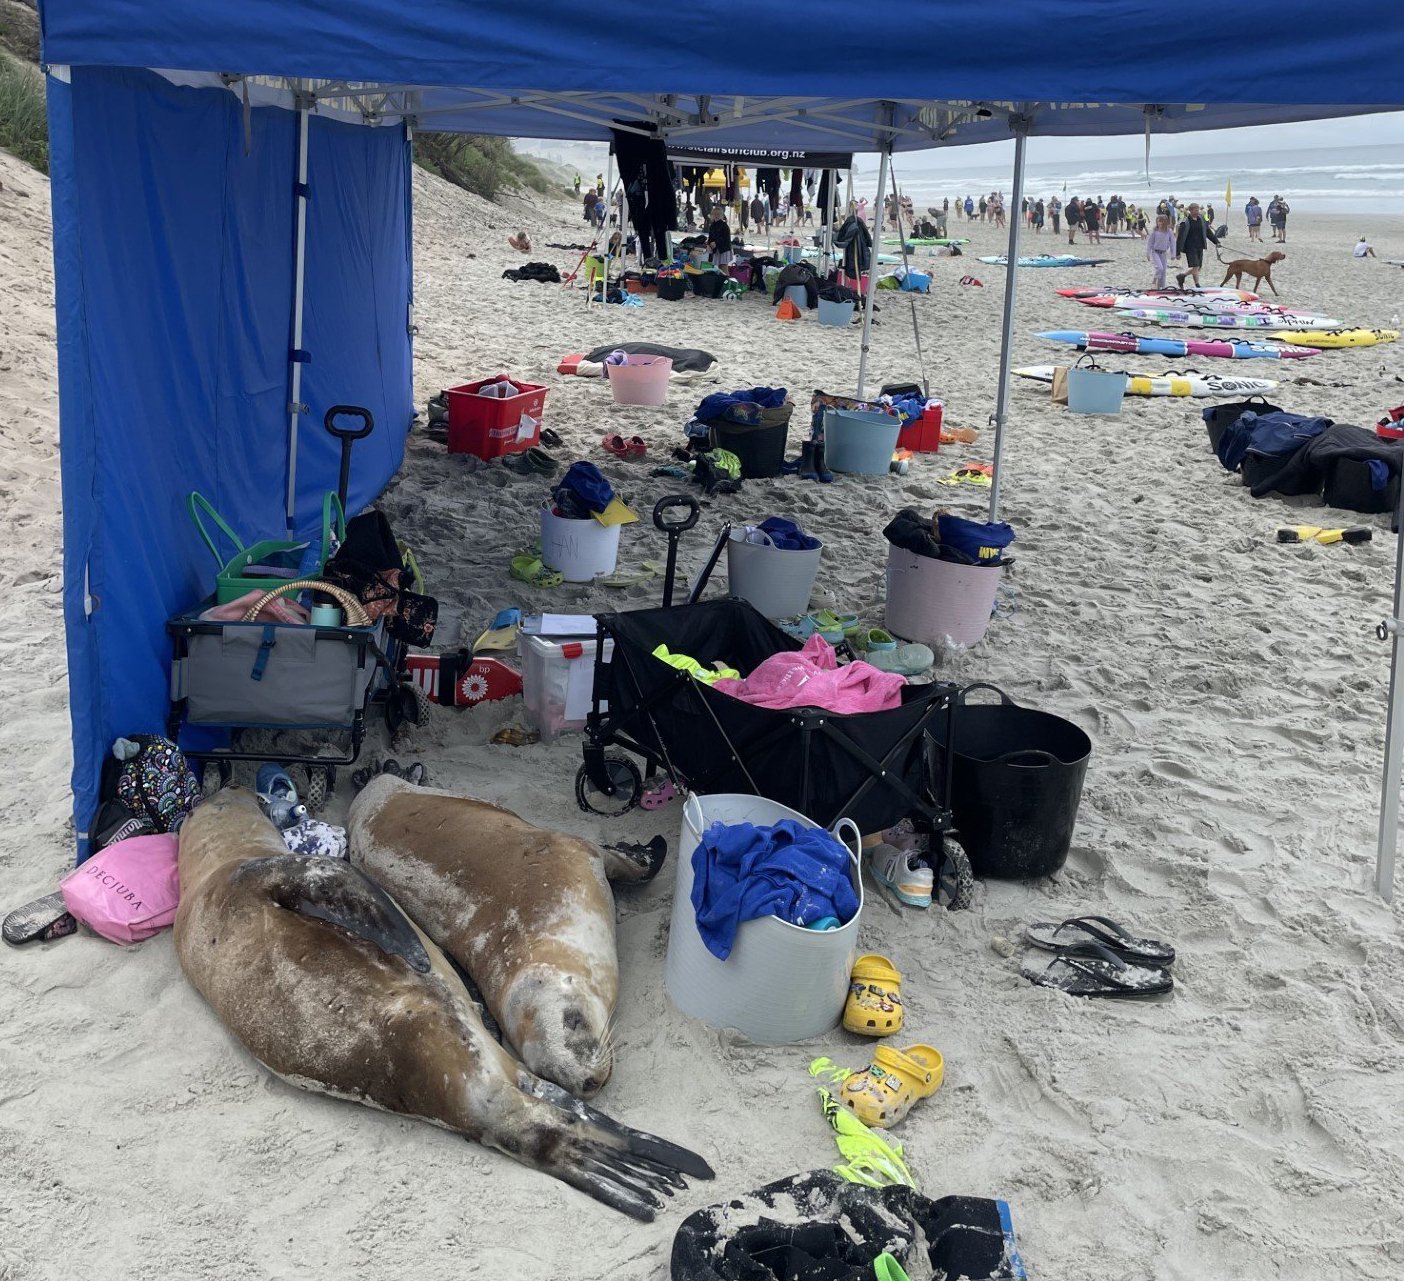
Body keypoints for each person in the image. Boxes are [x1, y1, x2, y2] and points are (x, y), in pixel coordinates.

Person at [1174, 202, 1219, 286]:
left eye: (1198, 210)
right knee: (1195, 266)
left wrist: (1216, 241)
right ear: (1190, 210)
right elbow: (1179, 238)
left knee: (1198, 267)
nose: (1197, 211)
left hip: (1200, 246)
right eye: (1195, 210)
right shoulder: (1185, 222)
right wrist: (1177, 252)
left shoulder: (1201, 219)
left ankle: (1184, 277)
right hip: (1190, 247)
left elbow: (1208, 232)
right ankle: (1194, 282)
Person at [1145, 214, 1175, 288]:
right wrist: (1148, 253)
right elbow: (1150, 242)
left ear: (1165, 222)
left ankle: (1161, 288)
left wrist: (1173, 254)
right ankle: (1154, 280)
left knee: (1163, 272)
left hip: (1164, 253)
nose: (1159, 223)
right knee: (1159, 268)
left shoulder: (1169, 231)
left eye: (1161, 222)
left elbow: (1173, 243)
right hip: (1155, 252)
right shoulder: (1155, 231)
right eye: (1158, 222)